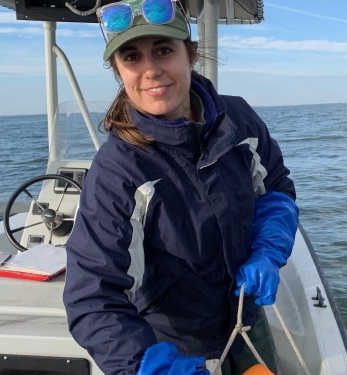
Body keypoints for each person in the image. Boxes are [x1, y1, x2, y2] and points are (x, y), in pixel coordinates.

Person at [63, 1, 299, 375]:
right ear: (119, 71)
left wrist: (268, 251)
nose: (151, 70)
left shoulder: (239, 118)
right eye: (131, 57)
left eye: (163, 50)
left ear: (189, 53)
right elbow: (93, 296)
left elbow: (275, 189)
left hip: (246, 318)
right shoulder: (117, 171)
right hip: (173, 347)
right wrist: (155, 367)